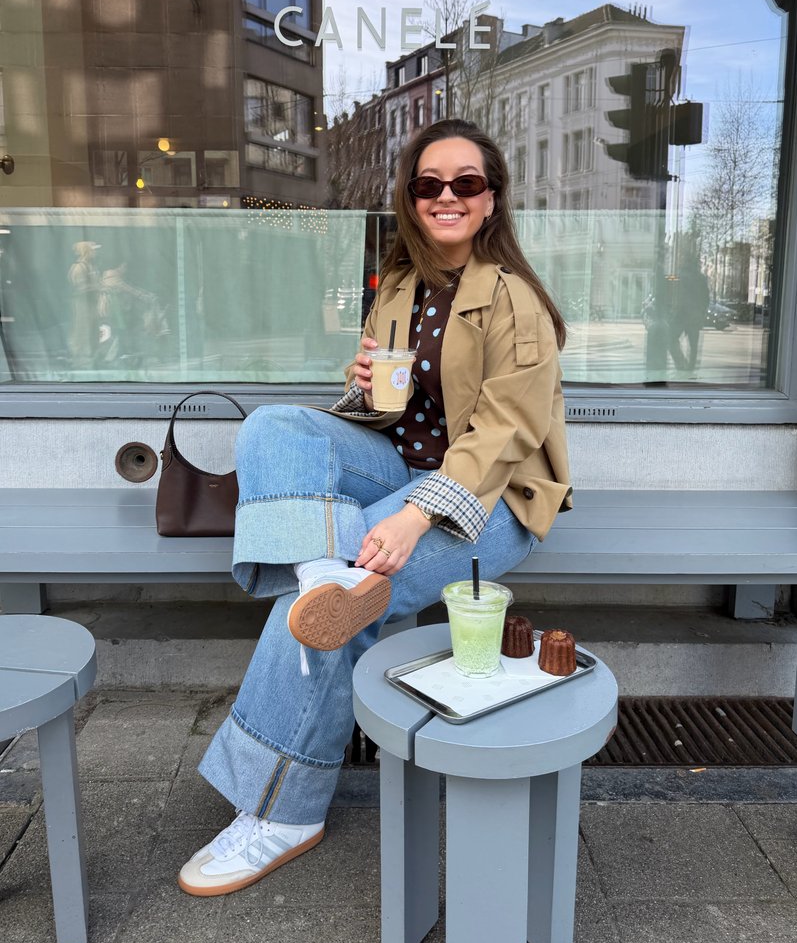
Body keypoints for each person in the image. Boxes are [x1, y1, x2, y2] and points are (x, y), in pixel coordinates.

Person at [177, 118, 572, 897]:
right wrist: (358, 385)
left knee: (332, 603)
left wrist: (414, 514)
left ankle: (284, 809)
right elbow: (384, 411)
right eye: (430, 184)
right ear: (412, 198)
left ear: (491, 200)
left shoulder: (514, 299)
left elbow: (503, 434)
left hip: (491, 499)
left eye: (466, 183)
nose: (447, 196)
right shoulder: (399, 284)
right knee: (272, 429)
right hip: (401, 461)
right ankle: (326, 569)